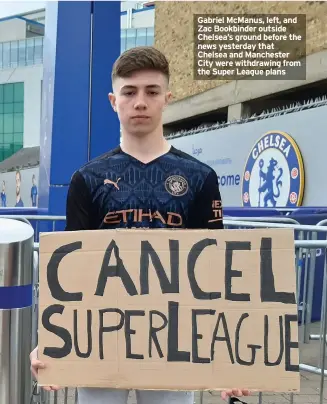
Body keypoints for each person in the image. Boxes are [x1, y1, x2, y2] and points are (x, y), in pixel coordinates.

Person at [30, 46, 250, 404]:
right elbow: (70, 274)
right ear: (113, 100)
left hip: (174, 343)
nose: (140, 102)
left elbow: (214, 270)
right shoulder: (87, 179)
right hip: (100, 343)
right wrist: (50, 340)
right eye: (129, 93)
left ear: (167, 99)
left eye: (151, 92)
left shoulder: (199, 178)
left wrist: (230, 356)